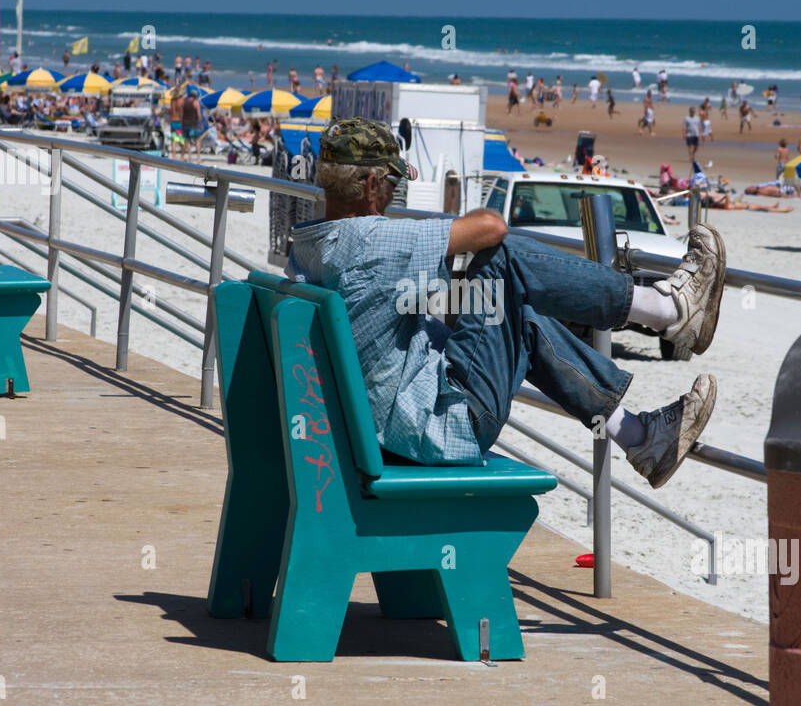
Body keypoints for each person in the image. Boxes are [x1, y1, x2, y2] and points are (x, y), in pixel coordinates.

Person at [285, 118, 728, 489]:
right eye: (392, 182)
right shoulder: (372, 240)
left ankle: (640, 438)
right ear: (368, 185)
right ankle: (668, 310)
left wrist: (472, 302)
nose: (393, 193)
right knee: (503, 257)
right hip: (440, 430)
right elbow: (490, 228)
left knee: (513, 311)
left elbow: (387, 305)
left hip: (377, 431)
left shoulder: (309, 247)